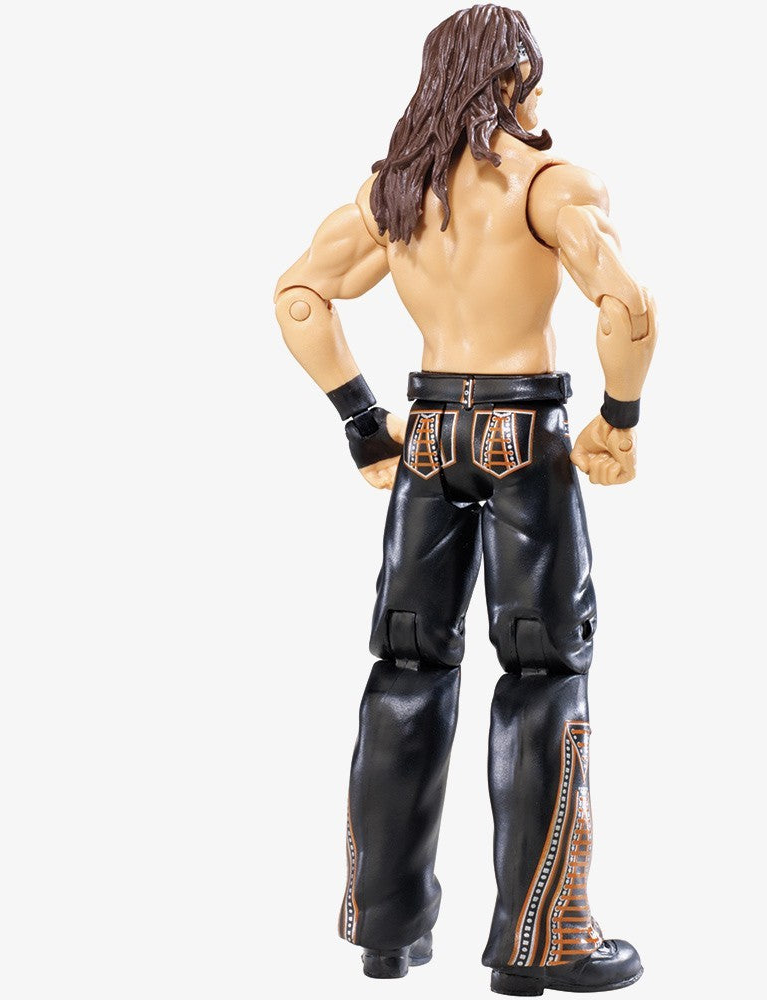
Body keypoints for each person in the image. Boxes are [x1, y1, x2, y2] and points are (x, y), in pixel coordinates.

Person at [273, 6, 656, 995]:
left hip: (430, 435)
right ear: (515, 75)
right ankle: (544, 938)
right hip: (522, 432)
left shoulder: (395, 192)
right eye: (535, 71)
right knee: (544, 669)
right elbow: (628, 304)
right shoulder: (549, 183)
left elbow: (301, 297)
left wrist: (364, 423)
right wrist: (618, 419)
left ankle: (384, 929)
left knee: (405, 665)